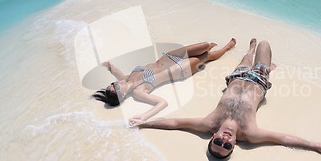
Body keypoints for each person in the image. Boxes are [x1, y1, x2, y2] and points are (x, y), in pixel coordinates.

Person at [130, 39, 321, 160]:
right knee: (265, 43)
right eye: (227, 145)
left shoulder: (209, 123)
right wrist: (314, 145)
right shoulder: (250, 133)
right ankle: (265, 63)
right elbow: (283, 138)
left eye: (218, 141)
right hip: (260, 79)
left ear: (212, 137)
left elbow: (174, 123)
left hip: (237, 77)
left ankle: (250, 50)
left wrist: (144, 124)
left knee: (247, 56)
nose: (224, 139)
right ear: (235, 144)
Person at [93, 39, 236, 122]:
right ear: (123, 95)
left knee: (204, 45)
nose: (116, 83)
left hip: (168, 57)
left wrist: (108, 66)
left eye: (112, 84)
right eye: (116, 88)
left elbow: (118, 74)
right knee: (208, 56)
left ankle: (207, 48)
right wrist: (144, 116)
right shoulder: (138, 92)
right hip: (180, 69)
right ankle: (227, 48)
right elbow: (162, 103)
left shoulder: (127, 79)